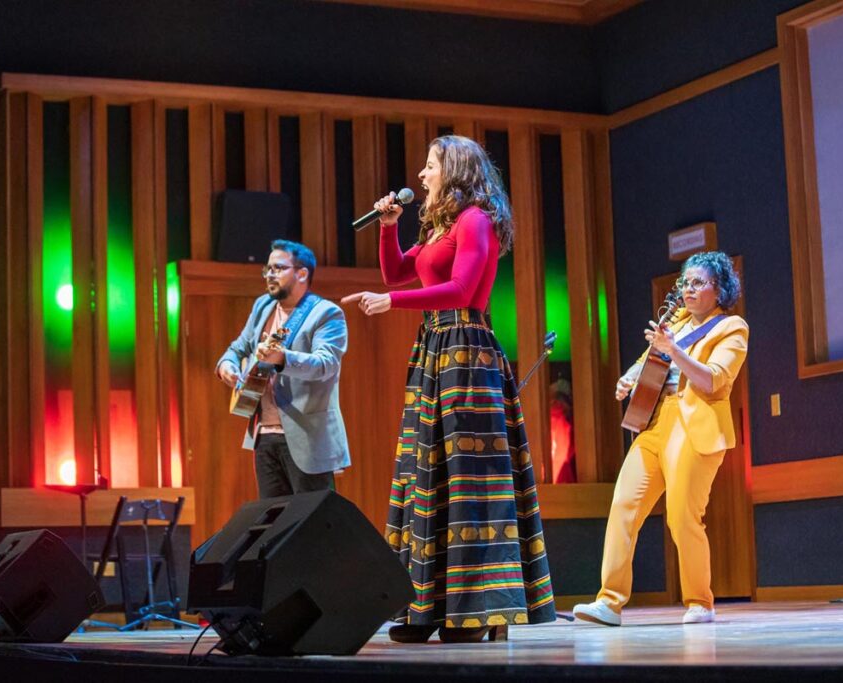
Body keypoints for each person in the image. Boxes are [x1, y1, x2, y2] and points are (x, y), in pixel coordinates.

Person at [341, 135, 555, 644]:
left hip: (467, 354)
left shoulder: (475, 220)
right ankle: (430, 609)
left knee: (468, 484)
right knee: (428, 479)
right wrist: (388, 230)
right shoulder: (440, 226)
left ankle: (476, 611)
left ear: (454, 170)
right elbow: (397, 271)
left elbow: (460, 290)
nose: (420, 174)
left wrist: (392, 304)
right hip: (436, 351)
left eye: (430, 165)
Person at [573, 250, 748, 627]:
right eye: (685, 282)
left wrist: (674, 351)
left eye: (698, 282)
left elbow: (714, 380)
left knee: (683, 517)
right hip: (655, 423)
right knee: (623, 506)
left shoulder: (732, 328)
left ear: (719, 290)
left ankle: (700, 601)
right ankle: (609, 601)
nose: (688, 289)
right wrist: (630, 378)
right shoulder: (679, 321)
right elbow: (647, 358)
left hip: (694, 424)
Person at [217, 240, 350, 498]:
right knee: (272, 524)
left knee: (311, 524)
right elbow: (238, 348)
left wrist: (283, 358)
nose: (270, 275)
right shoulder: (263, 307)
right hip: (264, 435)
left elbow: (326, 364)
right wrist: (227, 366)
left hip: (307, 437)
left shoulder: (325, 313)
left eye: (278, 268)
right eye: (267, 269)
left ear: (302, 273)